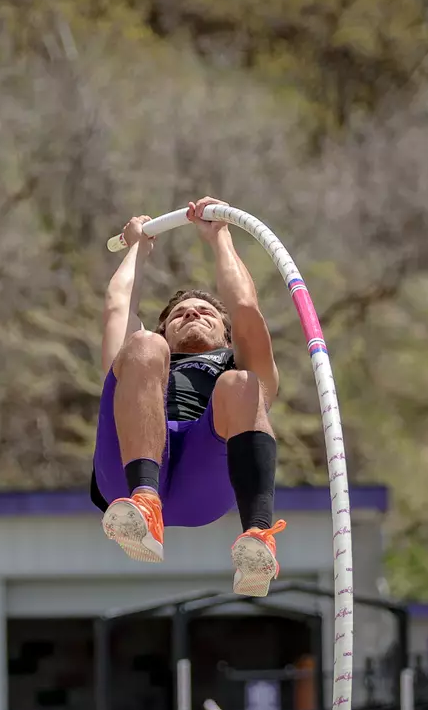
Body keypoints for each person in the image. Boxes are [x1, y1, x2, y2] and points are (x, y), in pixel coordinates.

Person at [91, 196, 286, 596]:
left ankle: (257, 539)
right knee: (140, 345)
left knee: (242, 384)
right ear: (168, 331)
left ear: (226, 336)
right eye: (180, 314)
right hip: (127, 478)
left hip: (204, 482)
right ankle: (145, 505)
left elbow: (245, 306)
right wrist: (138, 249)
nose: (192, 314)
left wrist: (220, 237)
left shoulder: (239, 362)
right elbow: (117, 306)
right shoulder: (148, 352)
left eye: (206, 313)